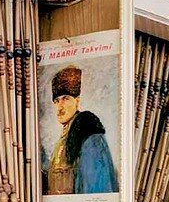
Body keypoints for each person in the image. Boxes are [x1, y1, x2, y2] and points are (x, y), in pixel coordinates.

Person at [44, 64, 118, 195]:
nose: (60, 107)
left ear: (77, 101)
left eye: (65, 99)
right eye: (56, 101)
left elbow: (95, 190)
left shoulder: (89, 135)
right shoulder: (63, 139)